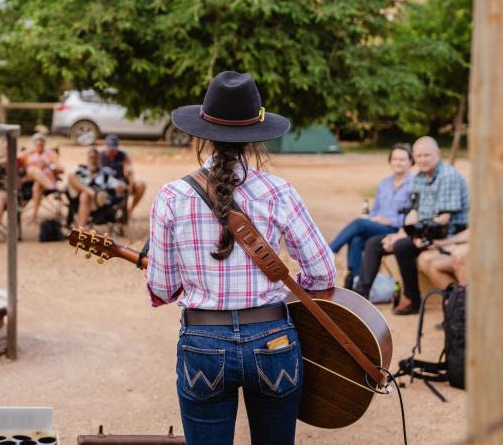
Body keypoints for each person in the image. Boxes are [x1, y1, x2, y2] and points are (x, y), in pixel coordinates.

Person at [147, 72, 335, 445]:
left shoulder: (171, 196)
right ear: (255, 135)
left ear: (202, 133)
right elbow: (323, 273)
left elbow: (163, 287)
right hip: (273, 339)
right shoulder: (279, 191)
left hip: (203, 339)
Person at [356, 136, 468, 315]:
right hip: (425, 229)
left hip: (447, 233)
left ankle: (412, 299)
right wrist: (399, 233)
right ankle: (361, 296)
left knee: (402, 247)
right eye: (419, 156)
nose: (422, 159)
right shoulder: (419, 178)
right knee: (374, 243)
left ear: (438, 154)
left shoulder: (448, 176)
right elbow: (414, 213)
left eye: (427, 155)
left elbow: (444, 218)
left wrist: (412, 236)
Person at [329, 143, 414, 288]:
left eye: (402, 159)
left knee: (359, 224)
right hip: (376, 226)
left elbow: (413, 216)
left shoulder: (414, 184)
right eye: (394, 159)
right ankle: (354, 282)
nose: (398, 162)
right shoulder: (384, 183)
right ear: (390, 161)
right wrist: (374, 219)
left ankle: (329, 252)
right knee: (356, 239)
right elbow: (374, 210)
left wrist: (388, 220)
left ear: (410, 162)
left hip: (397, 230)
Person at [68, 148, 126, 228]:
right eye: (91, 158)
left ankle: (80, 230)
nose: (93, 160)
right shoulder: (80, 170)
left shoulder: (105, 173)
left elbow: (119, 186)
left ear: (99, 159)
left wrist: (114, 190)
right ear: (87, 158)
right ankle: (92, 192)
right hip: (77, 200)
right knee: (72, 177)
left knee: (85, 196)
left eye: (95, 158)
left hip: (97, 203)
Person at [20, 132, 63, 224]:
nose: (40, 145)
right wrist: (27, 152)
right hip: (29, 181)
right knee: (32, 170)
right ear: (34, 143)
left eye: (42, 144)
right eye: (37, 144)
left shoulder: (49, 154)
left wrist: (49, 165)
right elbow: (15, 159)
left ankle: (34, 217)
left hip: (42, 181)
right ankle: (52, 187)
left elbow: (61, 169)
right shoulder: (29, 153)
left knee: (37, 186)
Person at [100, 134, 146, 216]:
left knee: (141, 185)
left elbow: (128, 171)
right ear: (105, 146)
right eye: (110, 149)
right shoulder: (99, 155)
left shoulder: (123, 155)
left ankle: (129, 211)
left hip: (120, 181)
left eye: (114, 149)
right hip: (105, 183)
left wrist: (130, 186)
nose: (112, 152)